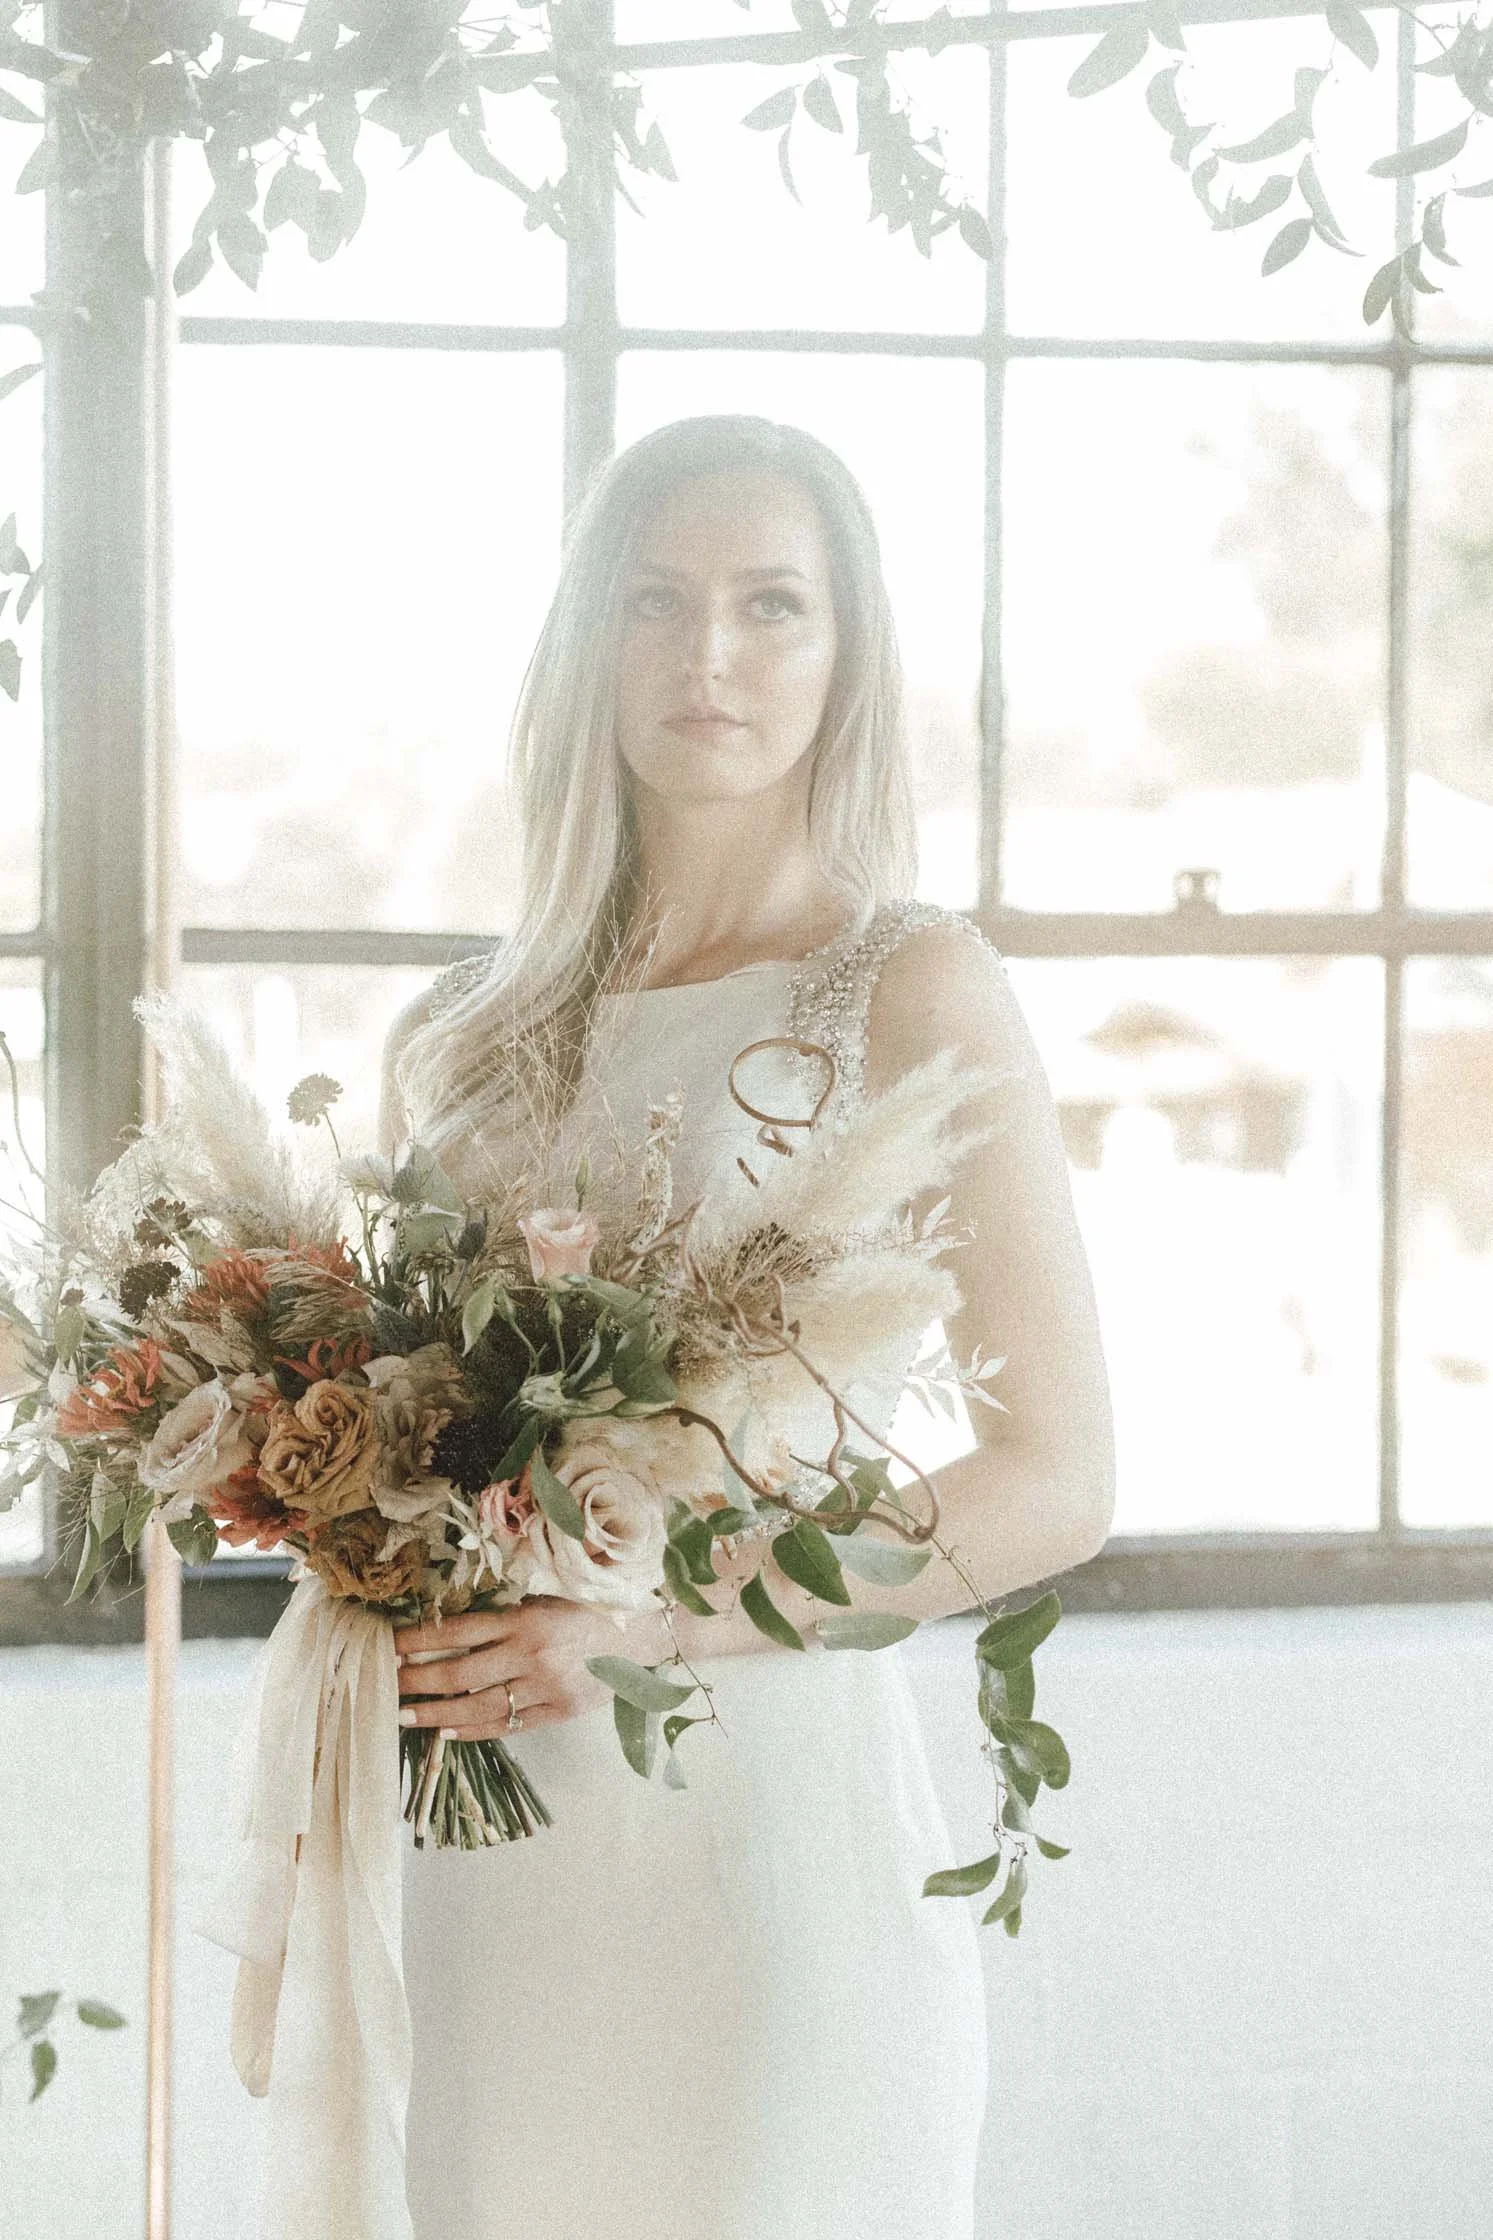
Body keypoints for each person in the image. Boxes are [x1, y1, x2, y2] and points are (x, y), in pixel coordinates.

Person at [378, 413, 1114, 2240]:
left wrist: (658, 1621)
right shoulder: (459, 1037)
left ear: (846, 655)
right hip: (495, 1855)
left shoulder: (913, 988)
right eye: (657, 600)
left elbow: (1057, 1476)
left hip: (766, 1837)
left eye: (771, 604)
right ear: (591, 641)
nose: (708, 651)